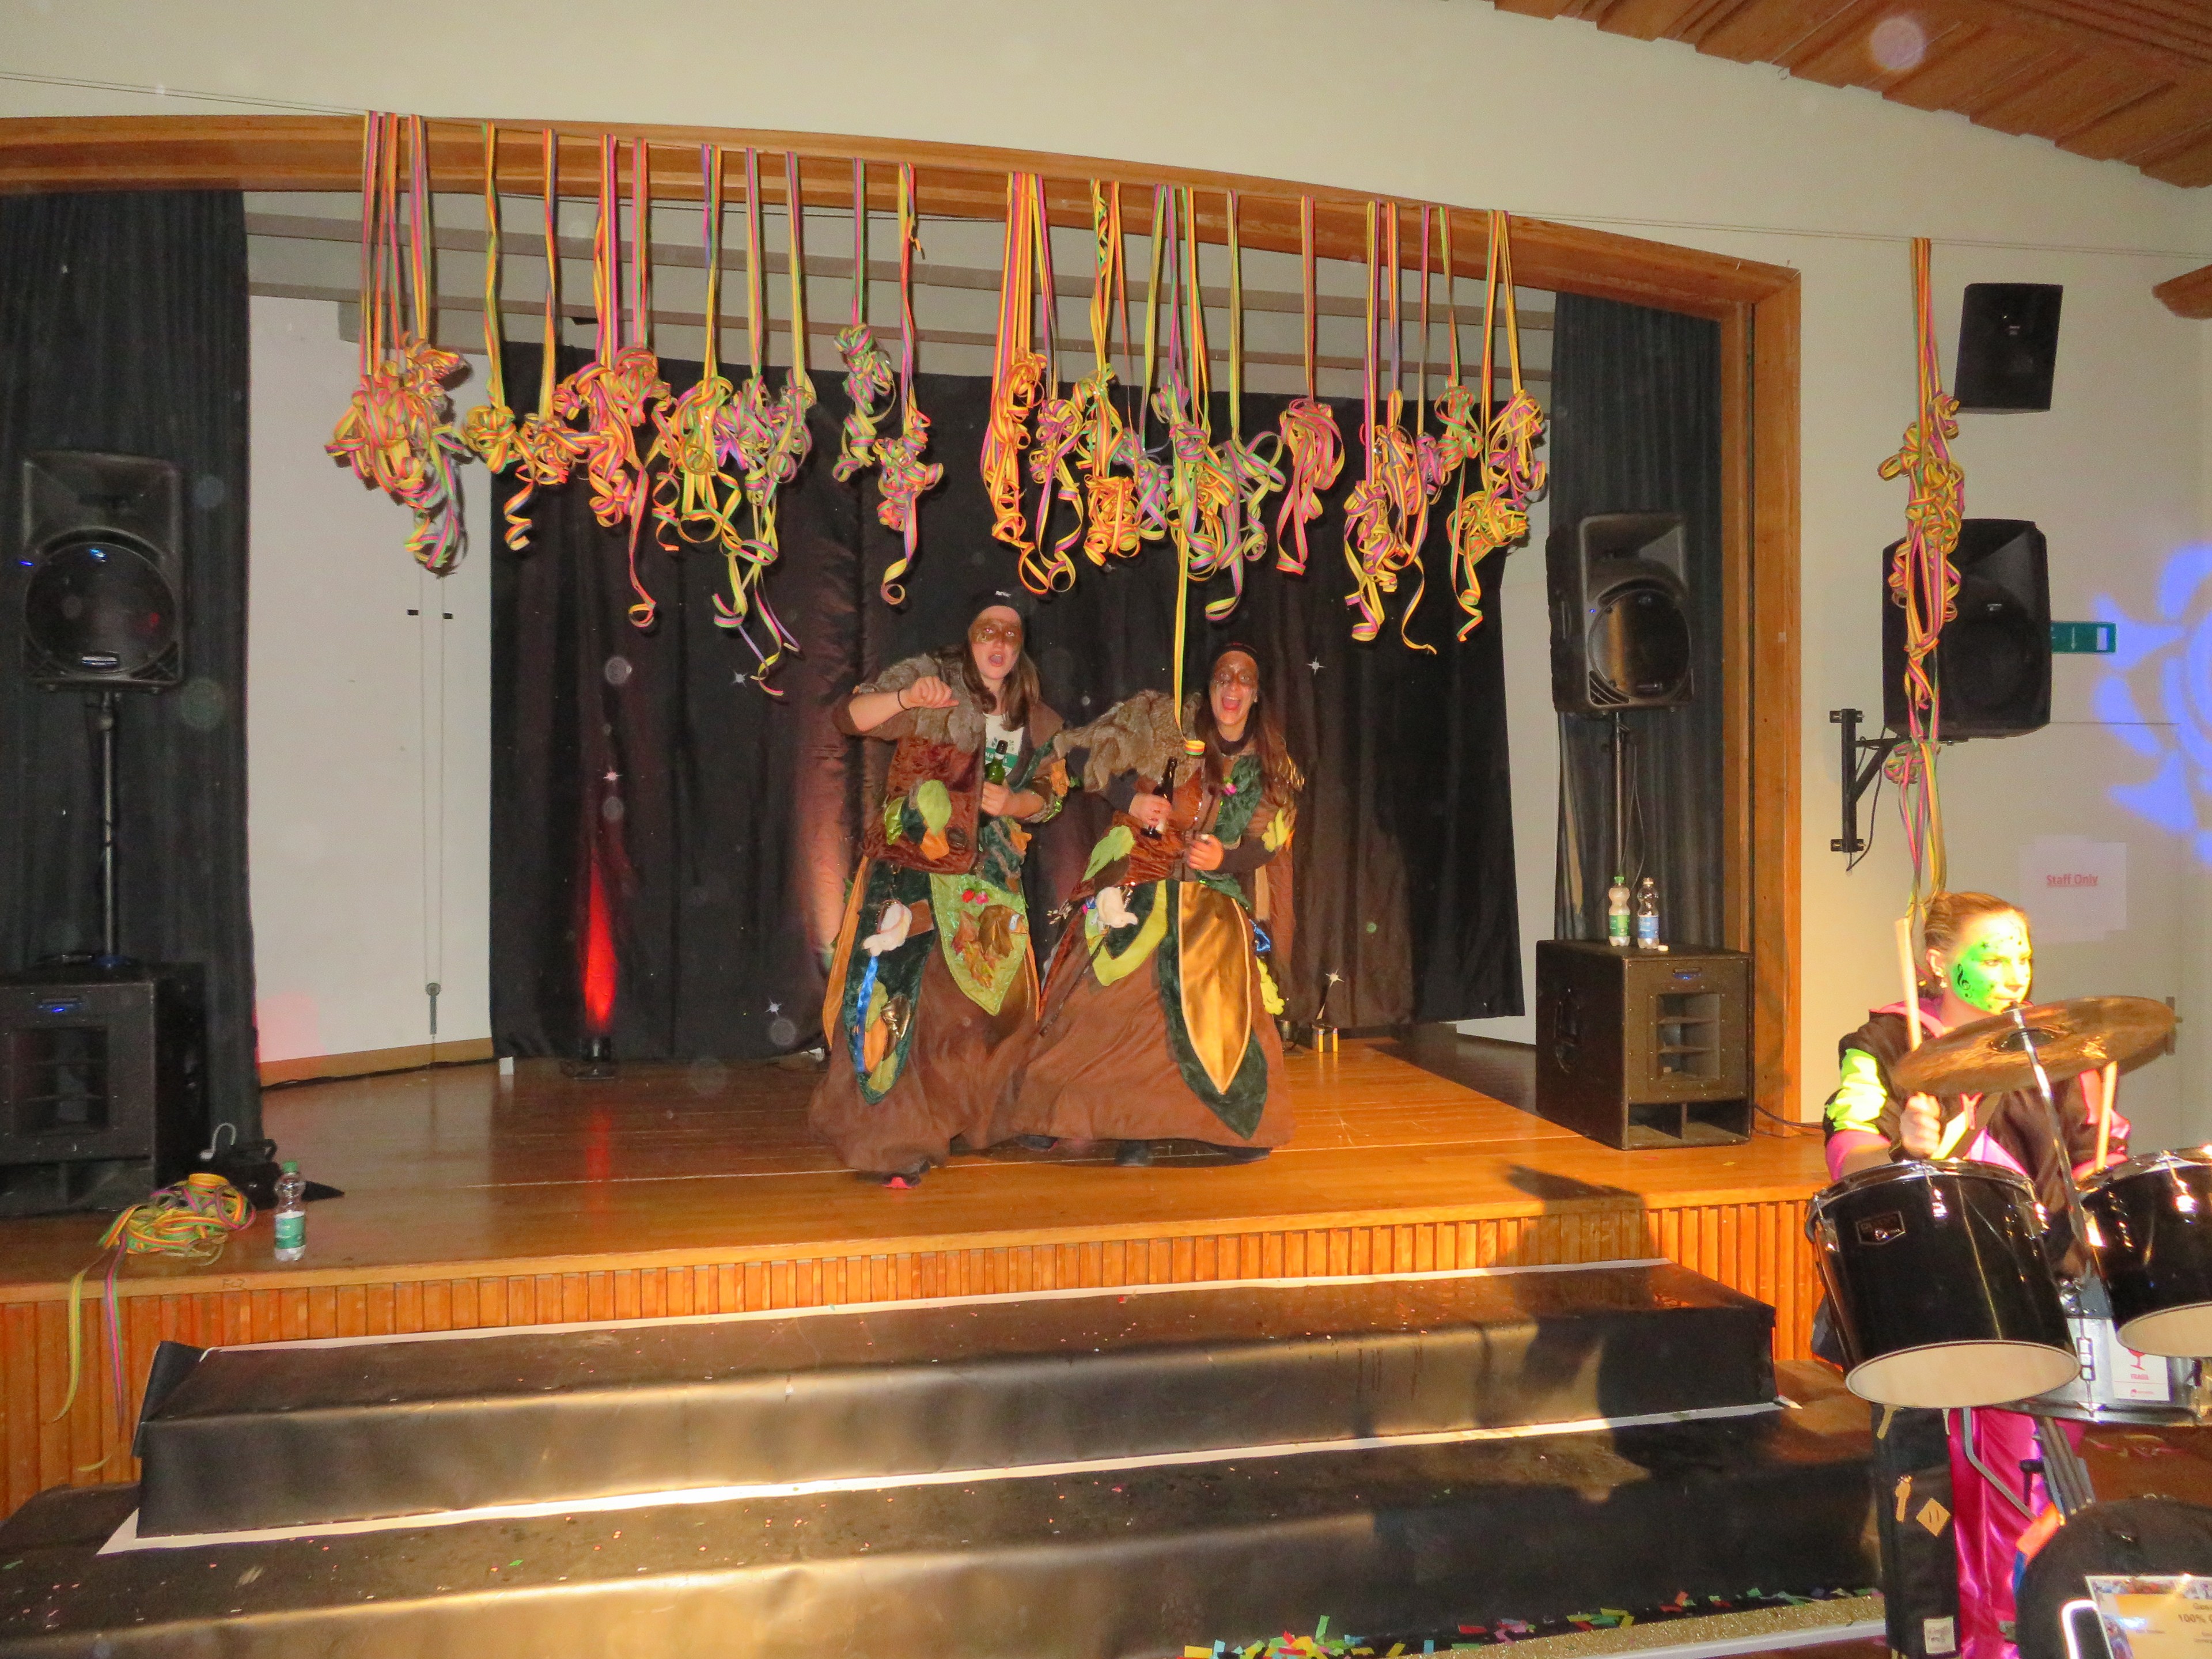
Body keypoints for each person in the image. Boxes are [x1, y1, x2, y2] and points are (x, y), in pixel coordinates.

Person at [1822, 890, 2128, 1659]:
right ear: (1936, 963)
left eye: (2023, 954)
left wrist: (2105, 1181)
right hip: (1938, 1293)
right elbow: (1848, 1149)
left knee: (2033, 1484)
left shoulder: (2054, 1048)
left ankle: (2027, 1634)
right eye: (1992, 956)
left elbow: (2093, 1163)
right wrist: (1905, 1147)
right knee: (1956, 1488)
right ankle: (1974, 1642)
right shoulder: (1886, 1041)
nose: (2014, 972)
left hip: (2046, 1293)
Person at [997, 641, 1300, 1165]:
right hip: (1138, 872)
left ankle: (1216, 1123)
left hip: (1208, 891)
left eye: (1244, 679)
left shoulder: (1269, 764)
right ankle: (1059, 1108)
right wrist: (1130, 799)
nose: (1232, 687)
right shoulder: (1163, 724)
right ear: (1209, 687)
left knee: (1214, 985)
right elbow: (1083, 755)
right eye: (1223, 676)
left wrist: (1226, 857)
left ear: (1256, 695)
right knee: (1111, 982)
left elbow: (1270, 839)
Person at [808, 592, 1067, 1186]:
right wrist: (905, 697)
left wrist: (1014, 802)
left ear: (1021, 647)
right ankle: (893, 1137)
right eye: (987, 631)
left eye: (1010, 635)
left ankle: (978, 1116)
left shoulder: (1037, 720)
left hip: (988, 879)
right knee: (903, 1002)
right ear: (969, 639)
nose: (998, 644)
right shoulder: (935, 689)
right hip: (913, 866)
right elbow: (848, 718)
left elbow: (1051, 795)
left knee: (983, 1007)